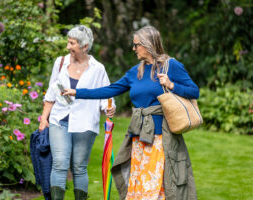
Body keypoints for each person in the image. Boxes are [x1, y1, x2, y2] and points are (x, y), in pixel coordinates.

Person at [64, 25, 199, 200]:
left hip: (160, 138)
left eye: (136, 45)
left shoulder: (170, 66)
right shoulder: (136, 71)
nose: (133, 48)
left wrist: (172, 85)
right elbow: (110, 90)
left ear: (148, 45)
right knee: (140, 183)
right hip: (139, 138)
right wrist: (78, 92)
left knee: (156, 185)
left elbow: (194, 91)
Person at [39, 25, 115, 200]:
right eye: (68, 42)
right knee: (59, 164)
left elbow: (106, 94)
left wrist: (109, 107)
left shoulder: (98, 68)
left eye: (72, 43)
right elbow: (51, 93)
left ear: (85, 46)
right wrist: (44, 118)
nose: (68, 47)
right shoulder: (60, 63)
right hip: (59, 120)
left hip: (85, 123)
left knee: (79, 167)